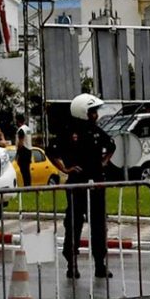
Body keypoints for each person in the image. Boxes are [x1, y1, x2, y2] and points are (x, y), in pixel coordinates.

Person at [54, 93, 116, 279]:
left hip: (96, 184)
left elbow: (111, 145)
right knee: (73, 224)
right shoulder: (68, 132)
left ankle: (99, 264)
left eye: (95, 112)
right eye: (91, 111)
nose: (95, 115)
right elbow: (53, 152)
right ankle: (72, 264)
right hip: (76, 185)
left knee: (98, 224)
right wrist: (65, 168)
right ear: (82, 111)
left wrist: (104, 161)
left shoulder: (97, 131)